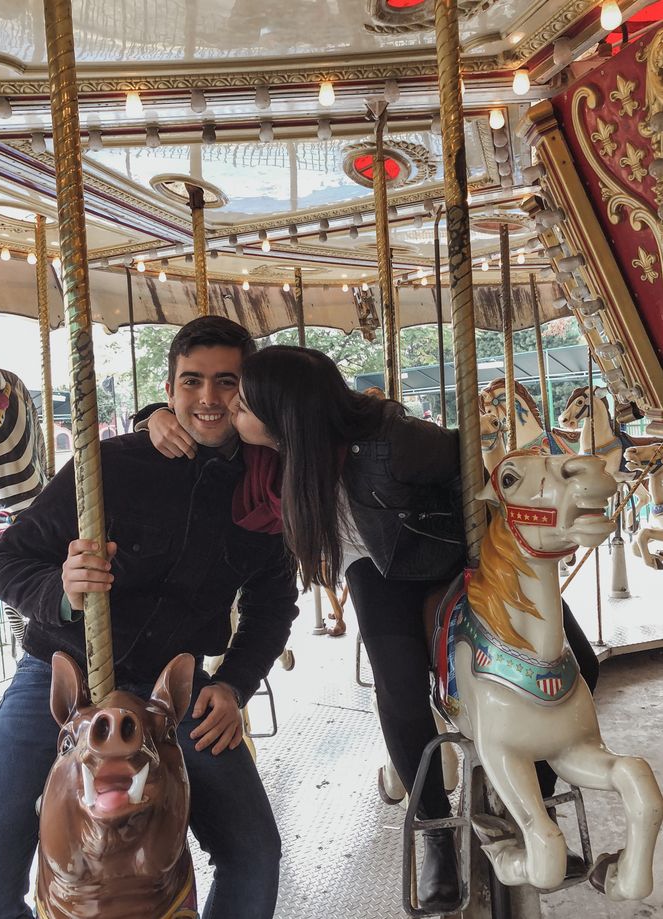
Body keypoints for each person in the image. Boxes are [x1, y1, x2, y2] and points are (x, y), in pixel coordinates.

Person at [144, 345, 599, 914]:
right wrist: (151, 416)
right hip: (376, 567)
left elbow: (471, 468)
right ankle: (434, 828)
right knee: (399, 685)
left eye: (244, 402)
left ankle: (539, 791)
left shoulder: (393, 443)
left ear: (286, 414)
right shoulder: (267, 449)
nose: (231, 409)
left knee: (582, 662)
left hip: (456, 554)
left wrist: (496, 558)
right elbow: (193, 424)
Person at [0, 317, 299, 919]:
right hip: (64, 676)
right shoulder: (108, 464)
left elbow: (273, 604)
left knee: (255, 850)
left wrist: (234, 684)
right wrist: (61, 589)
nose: (207, 399)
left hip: (173, 691)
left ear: (249, 391)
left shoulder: (263, 488)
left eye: (226, 382)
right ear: (170, 385)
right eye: (191, 382)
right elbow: (7, 559)